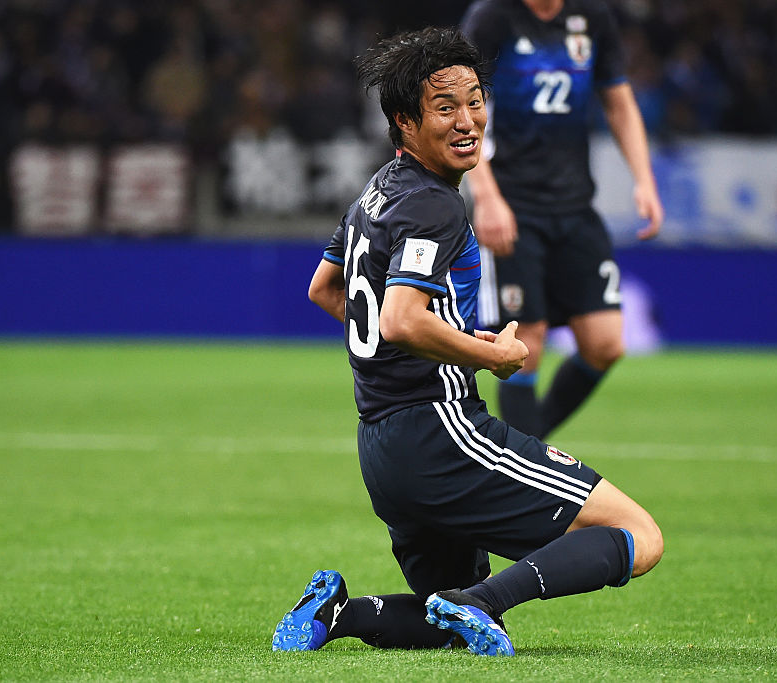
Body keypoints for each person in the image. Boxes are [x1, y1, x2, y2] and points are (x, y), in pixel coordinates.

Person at [272, 26, 662, 657]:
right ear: (405, 123)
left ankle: (339, 612)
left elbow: (325, 289)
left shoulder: (376, 192)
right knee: (639, 535)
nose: (468, 121)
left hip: (382, 449)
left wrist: (445, 334)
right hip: (442, 432)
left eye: (476, 101)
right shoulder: (436, 205)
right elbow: (400, 320)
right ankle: (482, 602)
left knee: (448, 621)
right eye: (445, 107)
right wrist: (493, 355)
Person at [460, 0, 665, 440]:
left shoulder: (592, 16)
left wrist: (644, 180)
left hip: (575, 206)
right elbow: (464, 111)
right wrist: (487, 197)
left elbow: (618, 101)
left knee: (605, 343)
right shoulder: (492, 18)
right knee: (524, 343)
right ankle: (525, 464)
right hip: (513, 206)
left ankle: (522, 451)